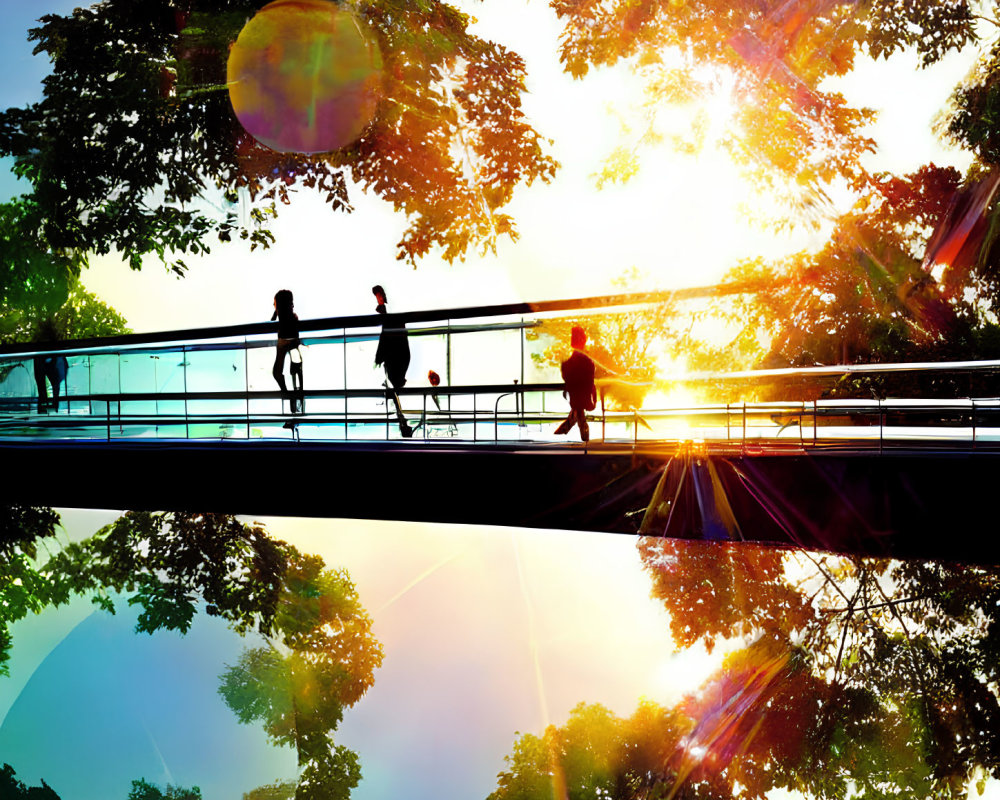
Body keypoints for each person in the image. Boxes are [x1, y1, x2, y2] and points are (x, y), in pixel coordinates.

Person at [373, 285, 413, 437]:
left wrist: (379, 357)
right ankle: (402, 421)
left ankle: (402, 421)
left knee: (393, 390)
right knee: (394, 391)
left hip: (394, 357)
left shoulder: (390, 316)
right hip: (397, 357)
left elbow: (385, 336)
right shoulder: (393, 316)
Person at [554, 325, 596, 442]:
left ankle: (571, 425)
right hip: (582, 396)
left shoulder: (575, 362)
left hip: (576, 396)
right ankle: (575, 425)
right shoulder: (587, 361)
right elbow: (590, 380)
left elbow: (566, 376)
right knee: (578, 408)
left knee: (577, 407)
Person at [271, 289, 304, 414]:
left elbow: (273, 321)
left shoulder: (281, 320)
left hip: (283, 343)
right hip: (292, 343)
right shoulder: (292, 318)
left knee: (278, 372)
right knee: (294, 372)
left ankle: (288, 395)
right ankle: (294, 400)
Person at [33, 319, 68, 413]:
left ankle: (50, 405)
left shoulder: (48, 354)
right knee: (52, 385)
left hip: (53, 364)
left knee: (53, 385)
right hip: (51, 364)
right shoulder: (41, 357)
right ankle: (49, 405)